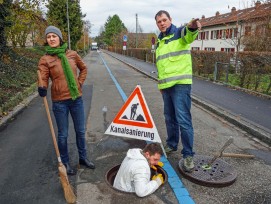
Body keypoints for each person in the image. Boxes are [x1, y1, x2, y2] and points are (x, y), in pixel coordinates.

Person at [38, 25, 95, 175]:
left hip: (76, 99)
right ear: (47, 40)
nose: (51, 39)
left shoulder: (72, 54)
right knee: (63, 134)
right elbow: (42, 76)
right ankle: (65, 162)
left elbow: (84, 69)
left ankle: (83, 158)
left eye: (54, 36)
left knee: (80, 131)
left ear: (60, 37)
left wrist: (79, 83)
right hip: (59, 102)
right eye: (48, 37)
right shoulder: (45, 59)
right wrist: (42, 86)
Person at [154, 10, 201, 172]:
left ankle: (188, 155)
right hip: (166, 87)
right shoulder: (159, 41)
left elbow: (189, 34)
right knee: (169, 118)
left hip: (181, 85)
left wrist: (193, 27)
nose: (162, 23)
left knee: (183, 119)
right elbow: (161, 66)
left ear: (170, 20)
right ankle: (172, 144)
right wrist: (161, 85)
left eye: (164, 20)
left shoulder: (179, 33)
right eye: (159, 21)